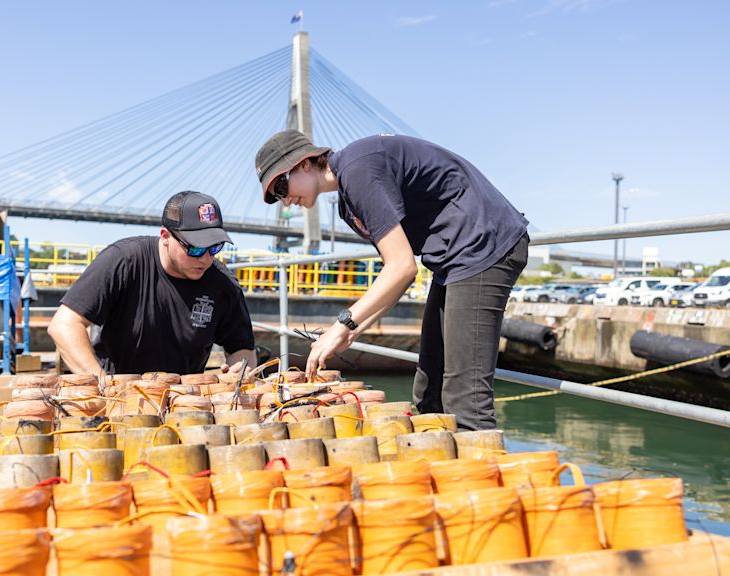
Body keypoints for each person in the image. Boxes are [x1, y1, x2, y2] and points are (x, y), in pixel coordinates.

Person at [254, 131, 529, 431]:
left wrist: (342, 324)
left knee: (465, 401)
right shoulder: (349, 198)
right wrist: (352, 331)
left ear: (304, 163)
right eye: (276, 196)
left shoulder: (358, 170)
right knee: (429, 393)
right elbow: (397, 276)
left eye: (281, 184)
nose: (285, 200)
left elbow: (402, 267)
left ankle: (478, 474)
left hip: (485, 246)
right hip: (453, 258)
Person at [49, 191, 257, 377]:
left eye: (214, 247)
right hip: (119, 390)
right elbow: (64, 325)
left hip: (184, 400)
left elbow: (243, 349)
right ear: (166, 236)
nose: (205, 258)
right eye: (195, 249)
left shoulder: (222, 283)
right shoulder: (123, 260)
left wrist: (241, 368)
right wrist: (101, 384)